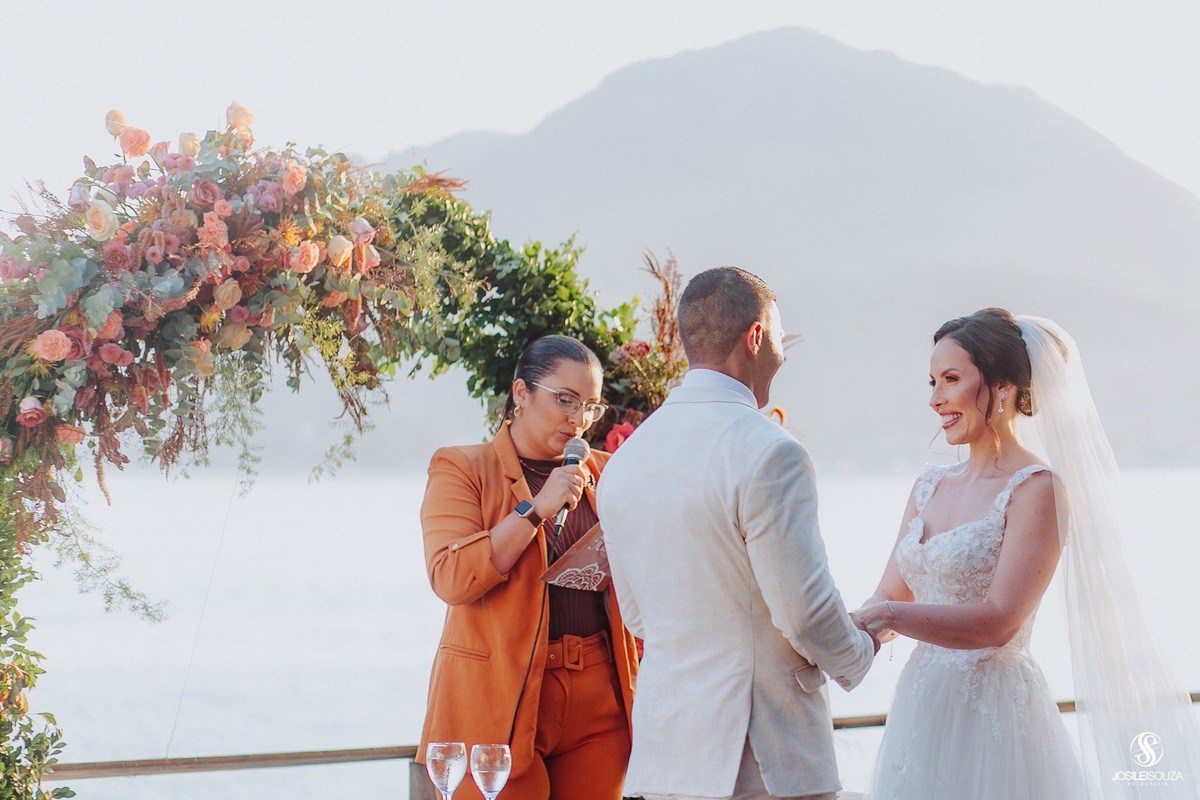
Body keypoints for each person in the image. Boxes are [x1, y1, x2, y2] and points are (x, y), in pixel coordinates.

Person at [856, 308, 1200, 799]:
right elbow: (889, 594)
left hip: (992, 714)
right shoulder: (928, 485)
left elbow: (999, 621)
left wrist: (889, 614)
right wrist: (838, 629)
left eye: (951, 379)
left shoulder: (1037, 489)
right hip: (921, 706)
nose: (935, 399)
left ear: (1002, 388)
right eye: (932, 382)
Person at [598, 267, 878, 800]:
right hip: (757, 755)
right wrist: (860, 651)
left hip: (665, 757)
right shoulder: (771, 451)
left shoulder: (624, 462)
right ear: (755, 336)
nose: (782, 354)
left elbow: (636, 615)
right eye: (777, 337)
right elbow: (804, 611)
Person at [418, 334, 639, 800]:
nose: (578, 419)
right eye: (565, 399)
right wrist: (536, 510)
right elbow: (451, 578)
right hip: (497, 698)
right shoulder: (462, 468)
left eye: (591, 407)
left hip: (600, 700)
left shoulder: (610, 473)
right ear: (521, 393)